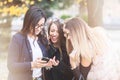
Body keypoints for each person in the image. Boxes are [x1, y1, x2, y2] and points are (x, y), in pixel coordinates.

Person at [7, 6, 53, 80]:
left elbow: (43, 63)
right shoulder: (17, 39)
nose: (39, 28)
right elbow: (11, 66)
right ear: (28, 22)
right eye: (36, 25)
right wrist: (32, 65)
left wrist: (48, 64)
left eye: (41, 25)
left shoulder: (42, 39)